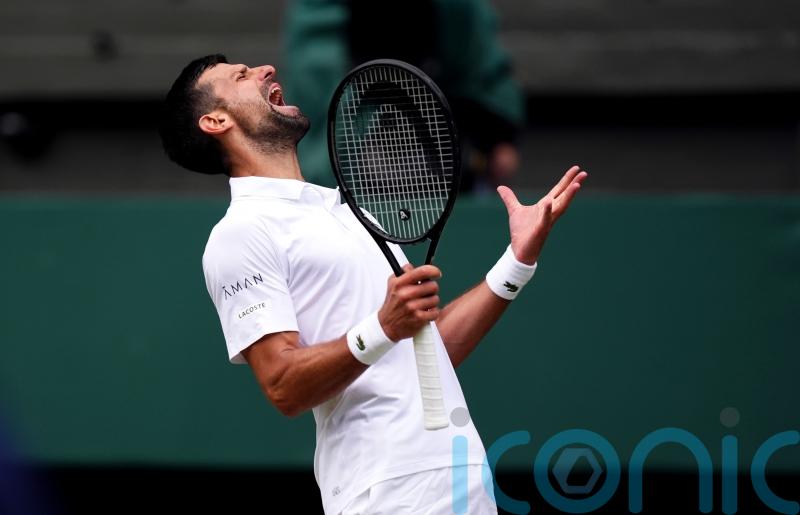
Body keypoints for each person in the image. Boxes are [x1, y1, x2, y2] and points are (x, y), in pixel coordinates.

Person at [158, 54, 586, 515]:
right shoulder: (240, 234)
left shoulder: (349, 213)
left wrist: (517, 262)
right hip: (385, 493)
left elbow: (425, 352)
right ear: (215, 120)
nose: (265, 70)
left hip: (461, 480)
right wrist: (382, 327)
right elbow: (283, 386)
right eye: (240, 76)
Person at [282, 0, 525, 192]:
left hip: (444, 159)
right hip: (345, 168)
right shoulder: (318, 21)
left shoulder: (459, 12)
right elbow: (312, 88)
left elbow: (480, 58)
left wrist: (499, 136)